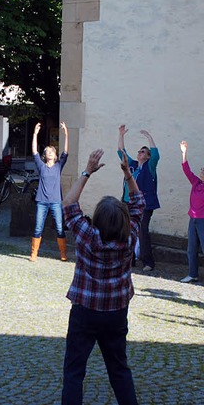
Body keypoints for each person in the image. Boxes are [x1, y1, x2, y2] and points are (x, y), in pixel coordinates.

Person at [61, 148, 142, 405]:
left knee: (74, 371)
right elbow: (139, 203)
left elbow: (69, 205)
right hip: (116, 312)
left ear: (97, 219)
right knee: (119, 369)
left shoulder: (87, 236)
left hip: (85, 311)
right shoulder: (130, 238)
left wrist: (87, 172)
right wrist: (128, 174)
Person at [118, 126, 160, 271]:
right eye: (139, 151)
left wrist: (149, 137)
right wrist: (121, 135)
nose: (139, 153)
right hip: (128, 203)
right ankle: (130, 260)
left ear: (147, 156)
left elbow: (156, 155)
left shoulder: (150, 167)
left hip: (145, 205)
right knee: (128, 231)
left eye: (143, 151)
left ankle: (148, 262)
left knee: (142, 231)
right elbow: (121, 153)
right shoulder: (134, 166)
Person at [30, 122, 69, 261]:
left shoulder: (58, 166)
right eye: (48, 152)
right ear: (45, 155)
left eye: (52, 151)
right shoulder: (41, 166)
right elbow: (34, 152)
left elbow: (65, 153)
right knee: (38, 228)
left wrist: (66, 134)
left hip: (56, 202)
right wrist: (35, 134)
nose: (50, 153)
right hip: (42, 201)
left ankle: (63, 253)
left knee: (59, 228)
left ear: (55, 155)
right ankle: (34, 253)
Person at [179, 141, 204, 283]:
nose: (200, 172)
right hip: (193, 219)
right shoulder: (196, 183)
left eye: (203, 171)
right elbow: (186, 170)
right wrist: (184, 153)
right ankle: (192, 274)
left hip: (203, 220)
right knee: (191, 248)